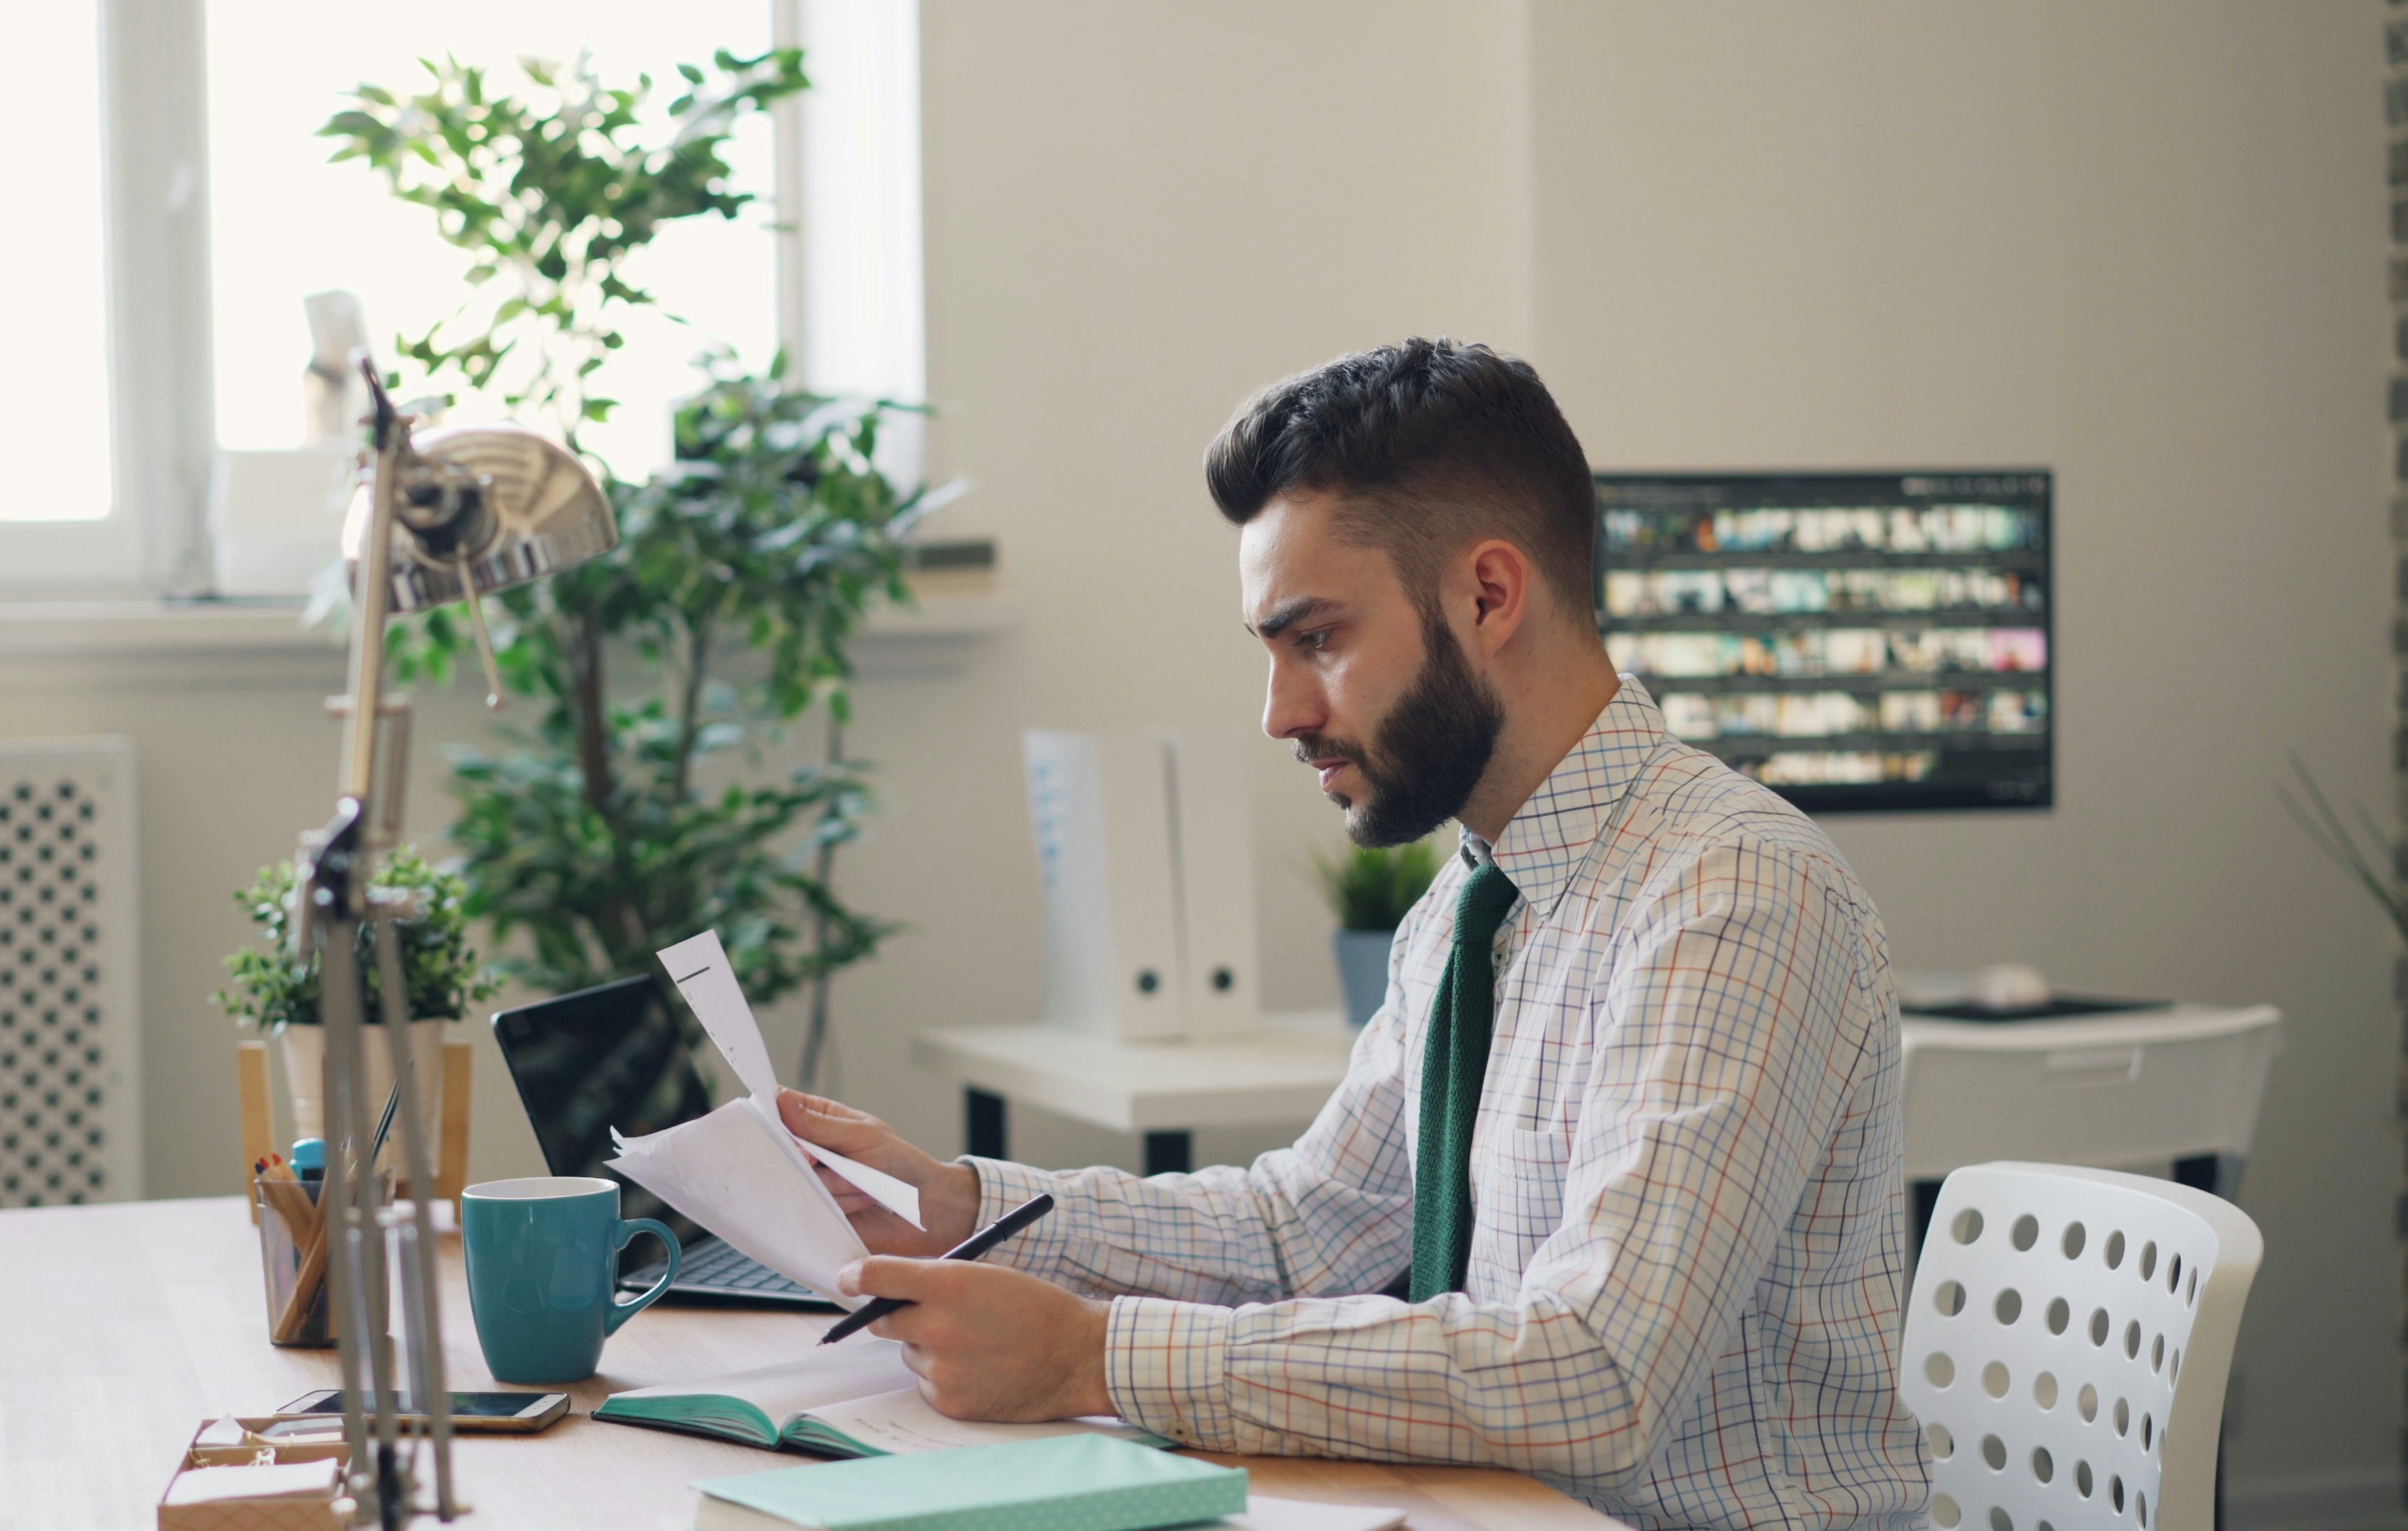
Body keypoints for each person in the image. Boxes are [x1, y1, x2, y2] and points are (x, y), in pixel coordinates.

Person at [780, 338, 1927, 1531]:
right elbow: (1301, 1230)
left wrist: (1095, 1359)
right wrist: (968, 1208)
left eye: (1316, 639)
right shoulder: (1471, 903)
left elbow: (1595, 1373)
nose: (1281, 713)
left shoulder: (1733, 895)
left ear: (1489, 595)